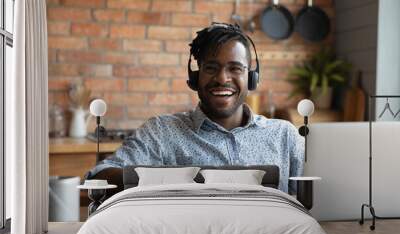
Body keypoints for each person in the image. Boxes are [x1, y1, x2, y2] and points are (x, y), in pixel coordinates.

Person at [86, 22, 304, 193]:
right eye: (211, 68)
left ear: (251, 78)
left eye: (235, 68)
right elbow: (98, 178)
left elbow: (319, 196)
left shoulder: (284, 136)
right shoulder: (161, 133)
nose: (222, 78)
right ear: (195, 76)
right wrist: (166, 178)